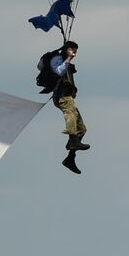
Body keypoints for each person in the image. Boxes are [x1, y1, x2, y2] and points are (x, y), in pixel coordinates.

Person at [50, 42, 90, 174]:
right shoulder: (57, 59)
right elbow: (59, 71)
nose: (74, 54)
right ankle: (73, 141)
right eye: (73, 51)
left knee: (82, 129)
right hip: (61, 96)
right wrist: (68, 58)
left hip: (68, 97)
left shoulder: (68, 63)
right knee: (71, 116)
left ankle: (70, 158)